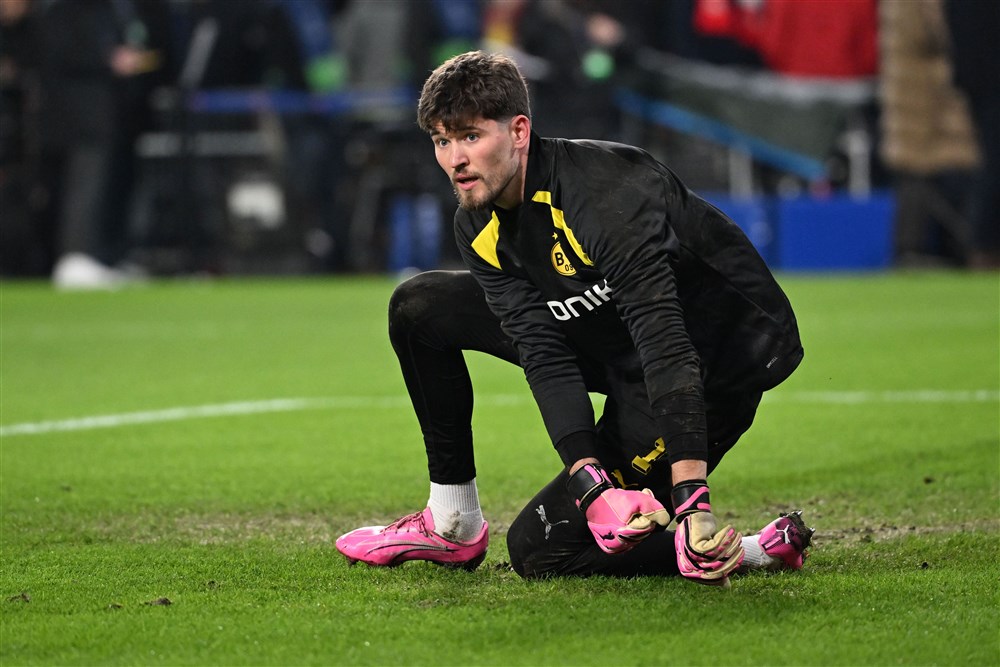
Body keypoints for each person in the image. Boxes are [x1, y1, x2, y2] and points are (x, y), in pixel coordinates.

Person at [336, 51, 811, 583]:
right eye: (442, 141)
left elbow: (665, 340)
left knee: (540, 550)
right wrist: (593, 486)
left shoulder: (605, 193)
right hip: (610, 333)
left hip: (716, 359)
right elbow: (543, 352)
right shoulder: (477, 226)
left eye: (470, 136)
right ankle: (452, 523)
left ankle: (752, 550)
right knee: (419, 308)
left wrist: (691, 501)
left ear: (519, 131)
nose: (454, 160)